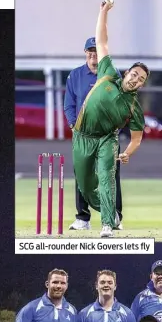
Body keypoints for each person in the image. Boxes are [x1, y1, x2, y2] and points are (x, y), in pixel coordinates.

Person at [72, 0, 149, 238]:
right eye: (135, 74)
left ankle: (107, 224)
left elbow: (137, 138)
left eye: (141, 79)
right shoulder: (107, 72)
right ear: (127, 73)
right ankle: (107, 211)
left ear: (141, 85)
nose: (136, 79)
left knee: (106, 178)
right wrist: (103, 11)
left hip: (107, 139)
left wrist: (127, 152)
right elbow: (102, 39)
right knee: (85, 186)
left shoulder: (134, 105)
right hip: (82, 136)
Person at [64, 36, 124, 231]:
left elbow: (121, 103)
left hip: (107, 134)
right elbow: (69, 104)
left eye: (96, 52)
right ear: (85, 54)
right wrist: (74, 125)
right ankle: (83, 217)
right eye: (90, 52)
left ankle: (115, 216)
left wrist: (117, 126)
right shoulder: (75, 75)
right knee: (83, 176)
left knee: (110, 175)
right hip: (83, 135)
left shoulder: (112, 74)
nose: (93, 56)